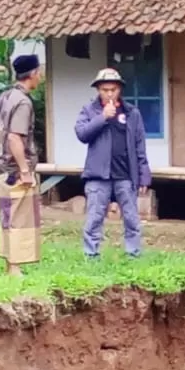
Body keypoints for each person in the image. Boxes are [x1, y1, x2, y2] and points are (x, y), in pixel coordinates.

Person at [0, 53, 45, 274]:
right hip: (15, 170)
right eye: (39, 72)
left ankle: (9, 265)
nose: (40, 76)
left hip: (2, 168)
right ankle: (14, 268)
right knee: (19, 218)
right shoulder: (22, 102)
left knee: (7, 215)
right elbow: (15, 137)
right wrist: (25, 170)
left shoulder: (5, 96)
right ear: (32, 74)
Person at [74, 68, 151, 260]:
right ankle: (91, 255)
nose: (109, 93)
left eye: (113, 89)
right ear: (98, 90)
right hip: (98, 175)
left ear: (120, 90)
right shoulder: (89, 110)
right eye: (105, 89)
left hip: (126, 173)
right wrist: (103, 118)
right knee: (94, 218)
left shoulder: (132, 112)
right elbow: (82, 134)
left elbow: (140, 144)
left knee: (132, 218)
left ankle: (133, 254)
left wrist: (144, 174)